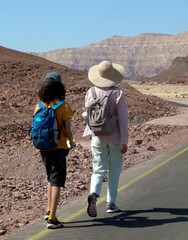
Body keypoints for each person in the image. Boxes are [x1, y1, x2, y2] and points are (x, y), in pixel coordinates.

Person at [83, 60, 128, 217]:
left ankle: (94, 193)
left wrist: (91, 132)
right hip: (115, 137)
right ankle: (111, 204)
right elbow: (123, 119)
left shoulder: (90, 92)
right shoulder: (118, 93)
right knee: (114, 170)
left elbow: (87, 114)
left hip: (97, 136)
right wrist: (124, 141)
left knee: (98, 168)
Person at [34, 72, 76, 229]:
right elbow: (68, 130)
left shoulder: (38, 106)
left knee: (49, 178)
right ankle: (52, 219)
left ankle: (48, 209)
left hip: (43, 147)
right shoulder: (64, 107)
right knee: (57, 180)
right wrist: (71, 142)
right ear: (60, 87)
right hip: (59, 147)